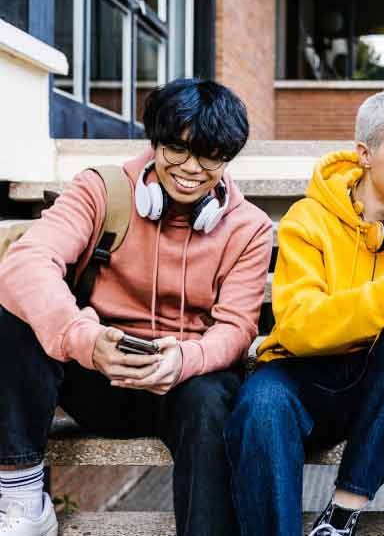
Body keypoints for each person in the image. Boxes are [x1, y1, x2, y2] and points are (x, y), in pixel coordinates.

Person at [0, 78, 272, 536]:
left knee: (211, 397)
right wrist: (85, 339)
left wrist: (185, 359)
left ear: (227, 159)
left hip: (182, 386)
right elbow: (27, 263)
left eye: (210, 155)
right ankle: (23, 495)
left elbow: (238, 327)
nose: (191, 168)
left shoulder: (249, 228)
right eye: (177, 149)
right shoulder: (101, 190)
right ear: (155, 142)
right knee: (13, 310)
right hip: (94, 373)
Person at [224, 90, 384, 536]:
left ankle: (340, 517)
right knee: (261, 405)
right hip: (303, 373)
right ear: (364, 155)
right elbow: (295, 327)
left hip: (383, 390)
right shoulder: (306, 220)